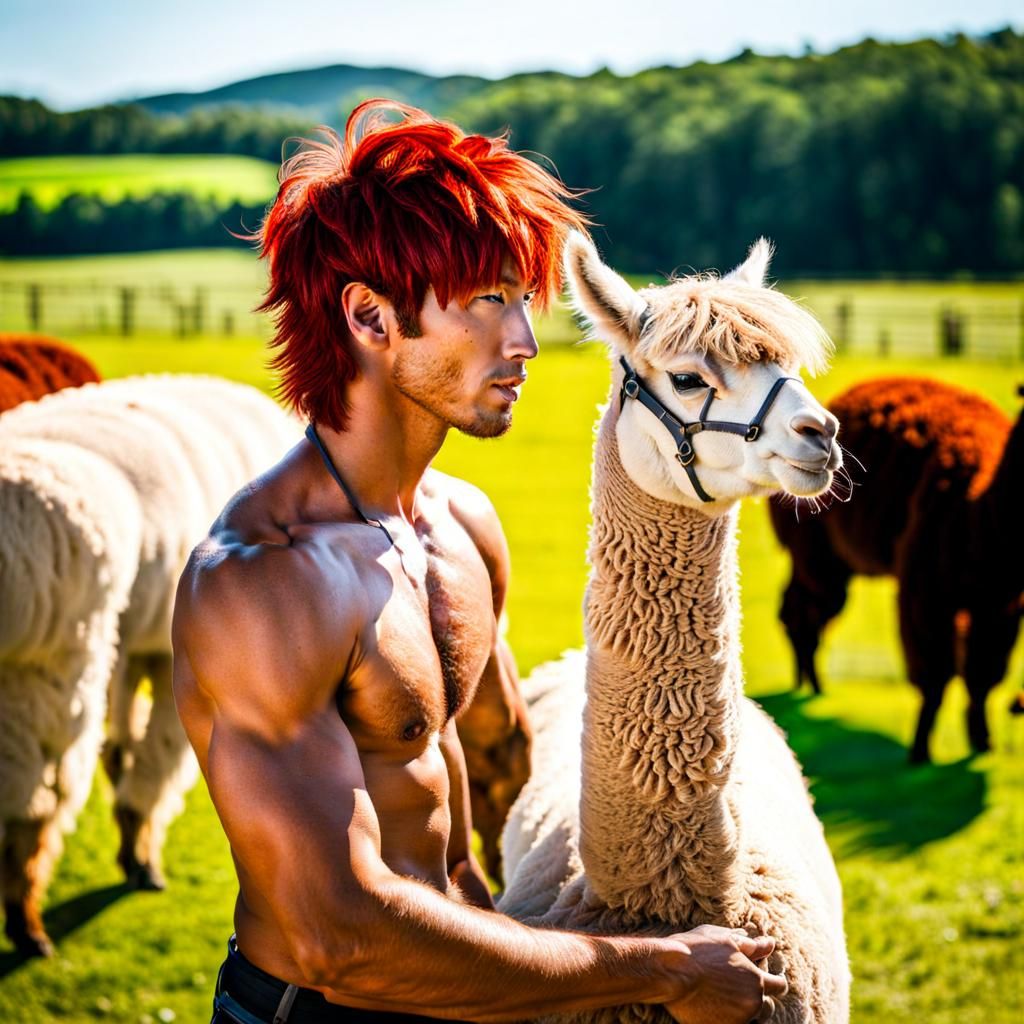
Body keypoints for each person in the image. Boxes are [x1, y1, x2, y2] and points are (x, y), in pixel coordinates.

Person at [171, 99, 788, 1024]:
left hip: (473, 989)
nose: (527, 342)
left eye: (522, 301)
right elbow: (331, 936)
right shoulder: (264, 582)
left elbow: (494, 759)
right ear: (371, 317)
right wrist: (662, 969)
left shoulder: (462, 525)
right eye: (489, 301)